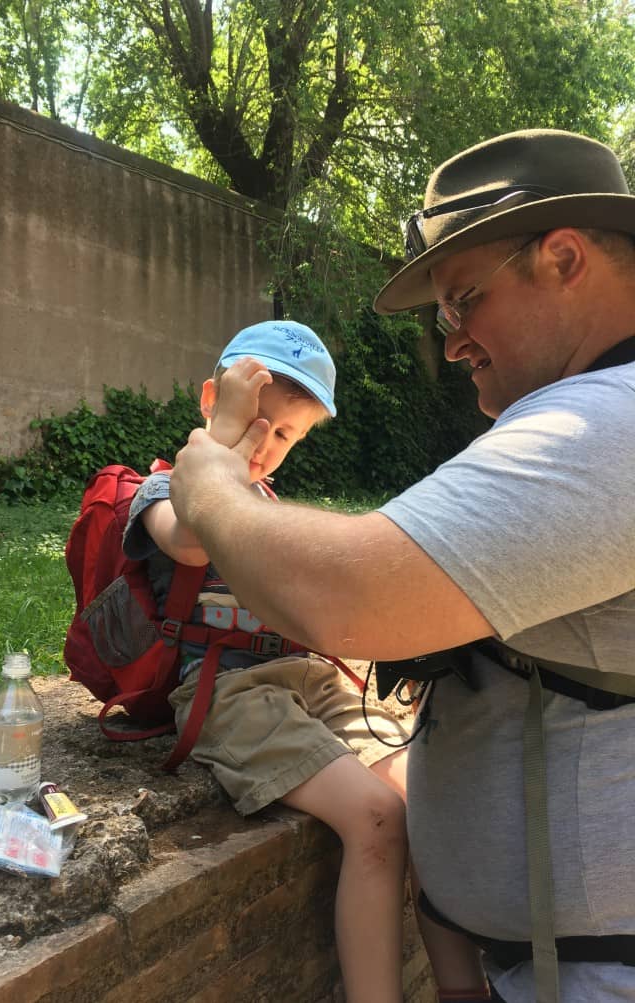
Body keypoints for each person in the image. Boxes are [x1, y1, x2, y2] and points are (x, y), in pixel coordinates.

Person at [167, 129, 635, 1003]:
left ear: (563, 257)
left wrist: (213, 484)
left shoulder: (609, 424)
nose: (451, 341)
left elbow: (346, 596)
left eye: (463, 301)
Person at [123, 319, 415, 1003]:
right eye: (253, 423)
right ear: (211, 402)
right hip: (229, 689)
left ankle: (458, 979)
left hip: (304, 678)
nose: (262, 446)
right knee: (375, 815)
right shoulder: (161, 492)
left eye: (284, 435)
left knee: (428, 787)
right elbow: (194, 543)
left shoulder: (267, 504)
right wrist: (217, 449)